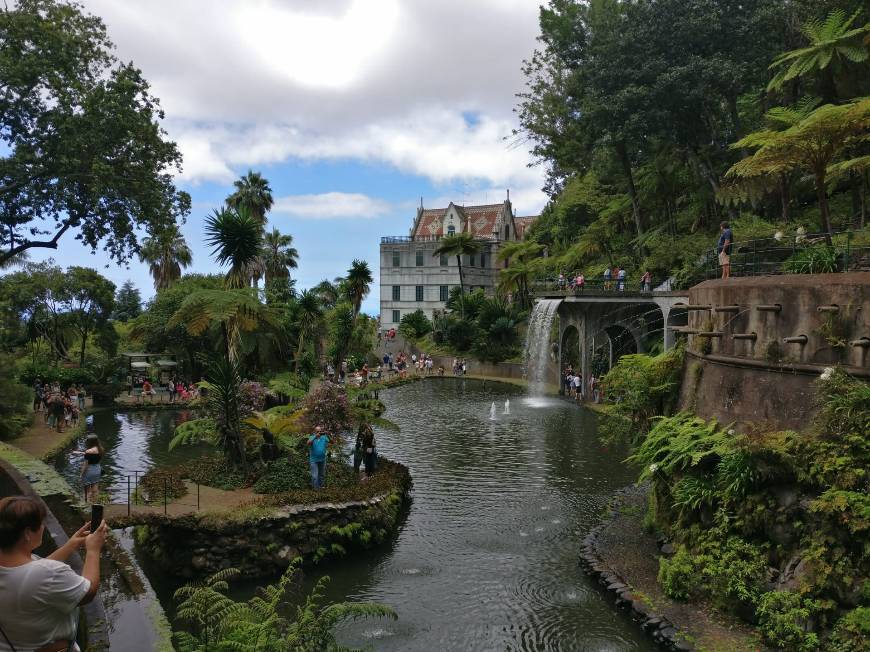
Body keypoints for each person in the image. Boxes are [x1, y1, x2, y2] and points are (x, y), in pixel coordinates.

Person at [0, 496, 108, 652]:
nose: (43, 528)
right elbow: (88, 591)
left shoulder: (19, 564)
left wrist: (70, 545)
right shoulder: (50, 572)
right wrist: (93, 549)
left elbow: (32, 572)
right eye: (40, 524)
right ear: (27, 534)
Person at [72, 435, 103, 503]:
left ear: (90, 442)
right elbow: (94, 456)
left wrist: (81, 474)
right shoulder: (100, 448)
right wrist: (82, 453)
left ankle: (86, 504)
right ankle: (95, 503)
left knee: (87, 490)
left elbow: (85, 465)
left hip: (90, 470)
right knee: (95, 489)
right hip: (97, 469)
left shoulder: (88, 451)